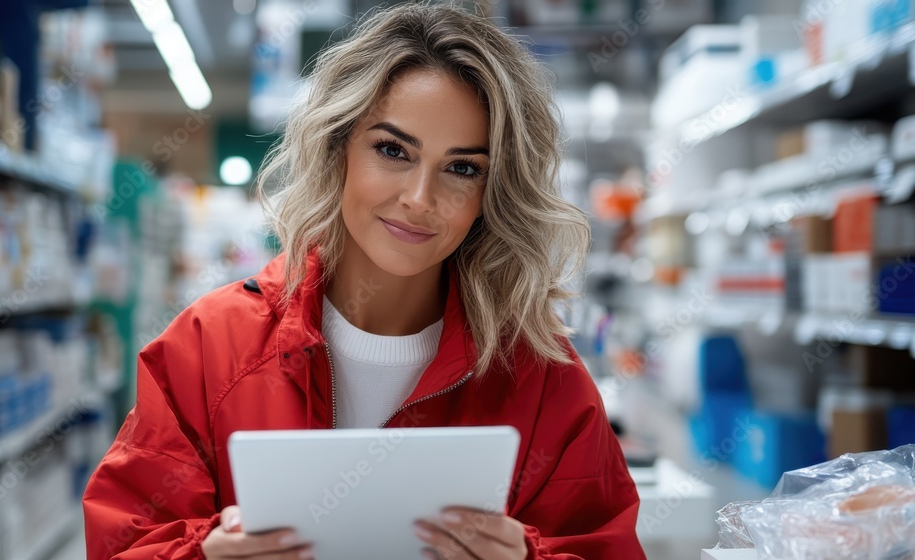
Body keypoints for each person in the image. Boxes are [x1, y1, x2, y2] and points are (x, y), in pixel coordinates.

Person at [82, 3, 645, 559]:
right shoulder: (208, 347)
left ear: (492, 193)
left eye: (463, 168)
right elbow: (122, 544)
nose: (419, 199)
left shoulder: (543, 378)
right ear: (338, 148)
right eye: (392, 150)